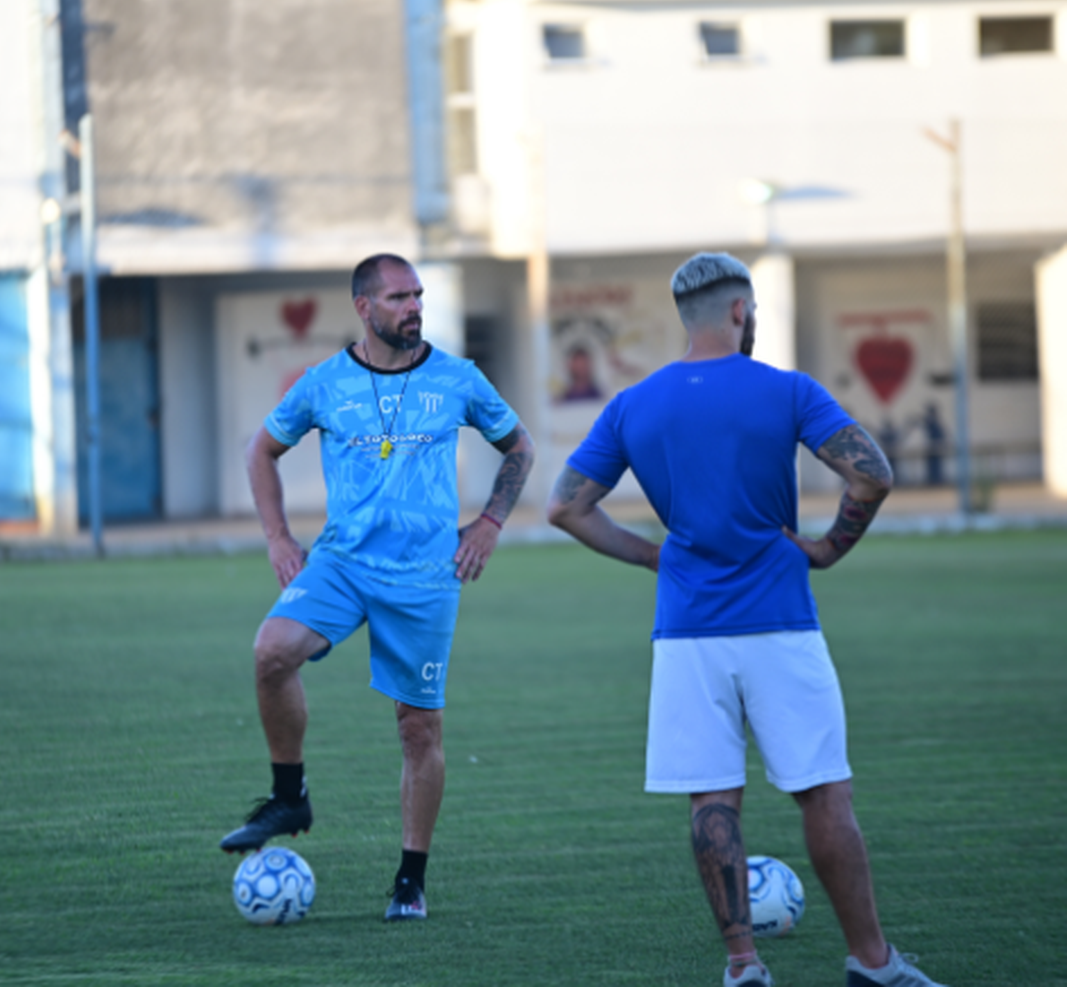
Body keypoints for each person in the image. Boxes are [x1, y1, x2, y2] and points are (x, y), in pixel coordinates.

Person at [547, 253, 947, 987]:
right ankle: (872, 962)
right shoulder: (787, 390)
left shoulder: (635, 403)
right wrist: (828, 547)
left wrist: (653, 558)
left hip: (687, 632)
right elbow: (873, 472)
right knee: (823, 789)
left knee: (712, 799)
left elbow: (565, 506)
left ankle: (743, 965)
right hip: (780, 622)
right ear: (741, 311)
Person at [220, 253, 535, 922]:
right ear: (364, 307)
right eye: (398, 297)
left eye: (417, 295)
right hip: (342, 563)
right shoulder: (324, 383)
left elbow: (520, 447)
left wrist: (489, 523)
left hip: (425, 576)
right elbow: (260, 450)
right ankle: (289, 794)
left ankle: (410, 880)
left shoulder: (458, 378)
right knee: (271, 650)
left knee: (418, 730)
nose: (413, 307)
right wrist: (279, 538)